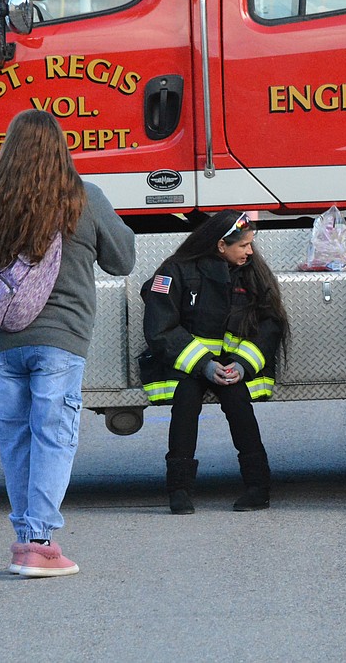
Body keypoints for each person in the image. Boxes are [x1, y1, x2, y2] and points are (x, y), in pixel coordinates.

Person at [0, 109, 135, 577]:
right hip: (61, 339)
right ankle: (39, 543)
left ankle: (26, 538)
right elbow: (123, 261)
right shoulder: (84, 198)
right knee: (53, 435)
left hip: (4, 340)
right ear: (61, 148)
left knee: (16, 438)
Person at [142, 210, 290, 514]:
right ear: (221, 245)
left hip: (233, 367)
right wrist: (205, 365)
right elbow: (160, 327)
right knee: (185, 403)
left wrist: (242, 365)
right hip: (189, 364)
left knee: (239, 405)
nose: (250, 251)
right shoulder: (175, 271)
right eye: (243, 245)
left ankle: (258, 488)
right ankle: (179, 491)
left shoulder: (252, 271)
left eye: (250, 244)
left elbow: (270, 322)